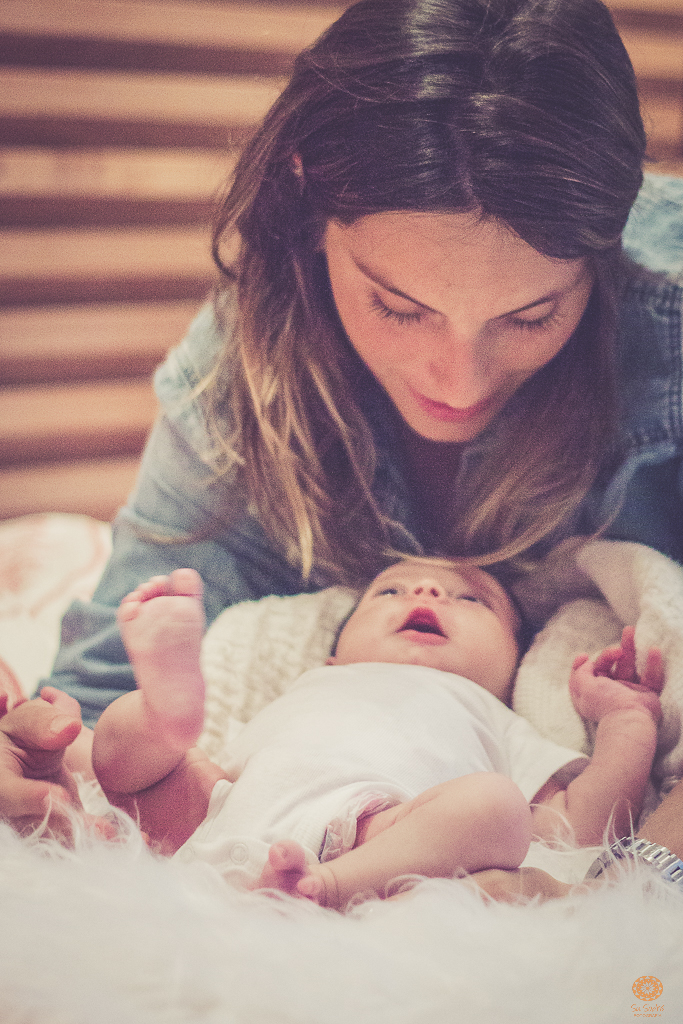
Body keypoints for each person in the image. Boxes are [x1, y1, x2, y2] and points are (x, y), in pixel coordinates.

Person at [1, 0, 683, 833]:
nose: (458, 382)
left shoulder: (669, 323)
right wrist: (36, 758)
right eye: (398, 306)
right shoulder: (246, 374)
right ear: (303, 205)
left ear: (604, 257)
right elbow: (103, 700)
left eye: (532, 315)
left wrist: (635, 885)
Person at [89, 557, 663, 910]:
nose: (428, 594)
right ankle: (167, 715)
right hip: (223, 814)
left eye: (473, 600)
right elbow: (227, 767)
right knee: (129, 756)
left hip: (381, 836)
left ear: (512, 669)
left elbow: (579, 826)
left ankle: (328, 887)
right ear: (336, 654)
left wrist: (626, 721)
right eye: (389, 591)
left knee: (498, 807)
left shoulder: (489, 711)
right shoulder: (312, 684)